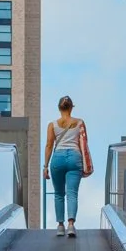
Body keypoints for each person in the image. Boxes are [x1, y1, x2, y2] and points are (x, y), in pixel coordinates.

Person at [44, 96, 92, 237]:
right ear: (71, 108)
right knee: (72, 193)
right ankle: (71, 225)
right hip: (74, 158)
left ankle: (60, 226)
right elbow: (84, 143)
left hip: (57, 158)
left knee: (59, 194)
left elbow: (48, 145)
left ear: (59, 108)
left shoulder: (52, 125)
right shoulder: (80, 122)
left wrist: (45, 166)